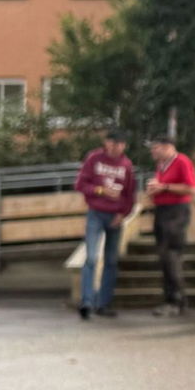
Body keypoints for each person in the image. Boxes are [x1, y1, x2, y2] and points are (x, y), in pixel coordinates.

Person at [74, 128, 135, 321]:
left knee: (111, 260)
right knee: (92, 257)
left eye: (120, 144)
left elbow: (129, 194)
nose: (116, 147)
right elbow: (80, 184)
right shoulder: (94, 159)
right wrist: (101, 190)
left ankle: (104, 303)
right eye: (113, 143)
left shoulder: (126, 165)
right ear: (106, 143)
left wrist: (123, 214)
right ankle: (87, 302)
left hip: (115, 216)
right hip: (96, 213)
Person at [144, 133, 195, 317]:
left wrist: (164, 187)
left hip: (176, 212)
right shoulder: (161, 165)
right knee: (163, 256)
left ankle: (176, 300)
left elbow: (192, 188)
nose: (152, 152)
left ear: (167, 147)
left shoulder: (182, 161)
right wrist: (154, 190)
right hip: (162, 210)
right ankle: (171, 299)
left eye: (156, 148)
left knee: (170, 255)